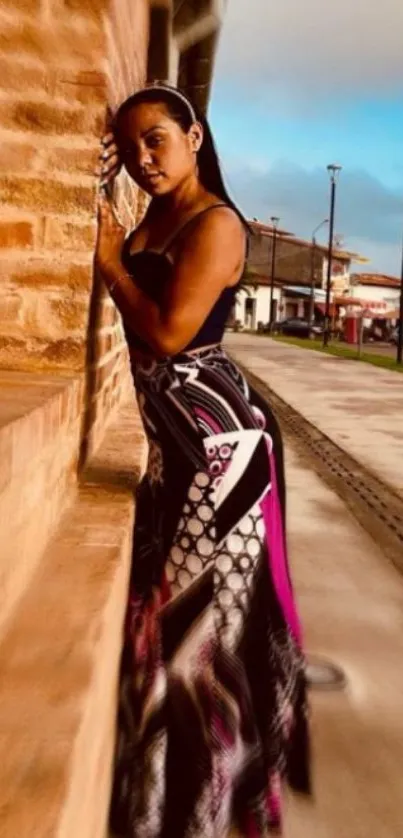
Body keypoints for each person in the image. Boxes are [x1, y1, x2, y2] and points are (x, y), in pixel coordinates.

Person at [96, 82, 310, 838]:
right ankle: (160, 806)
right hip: (175, 452)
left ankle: (201, 814)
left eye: (156, 138)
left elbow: (168, 333)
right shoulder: (155, 214)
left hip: (220, 450)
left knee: (201, 641)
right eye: (128, 149)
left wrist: (109, 265)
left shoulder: (215, 223)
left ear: (193, 134)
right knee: (168, 628)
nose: (142, 158)